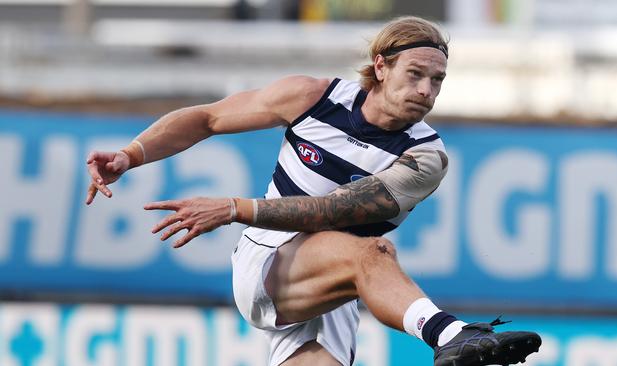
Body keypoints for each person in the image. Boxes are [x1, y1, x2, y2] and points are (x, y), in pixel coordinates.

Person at [85, 16, 541, 366]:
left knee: (363, 256)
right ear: (380, 67)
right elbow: (208, 118)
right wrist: (133, 154)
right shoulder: (312, 97)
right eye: (416, 74)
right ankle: (450, 334)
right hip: (269, 258)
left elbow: (328, 211)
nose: (426, 90)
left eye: (437, 80)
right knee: (374, 252)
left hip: (334, 285)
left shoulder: (426, 157)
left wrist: (232, 207)